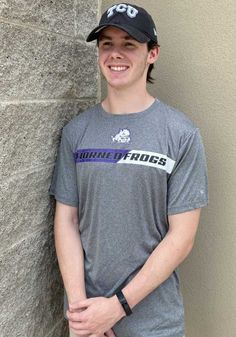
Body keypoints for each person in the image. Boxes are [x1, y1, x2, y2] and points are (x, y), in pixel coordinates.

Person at [49, 3, 208, 337]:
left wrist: (117, 307)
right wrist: (81, 312)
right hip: (88, 321)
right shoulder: (76, 132)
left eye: (129, 44)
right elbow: (67, 219)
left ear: (152, 53)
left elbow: (182, 237)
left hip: (154, 324)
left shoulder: (180, 134)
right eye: (107, 44)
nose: (115, 54)